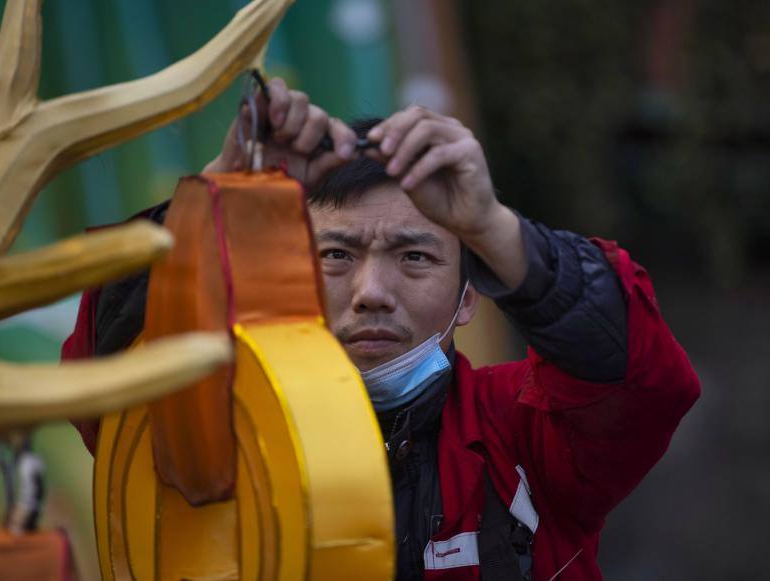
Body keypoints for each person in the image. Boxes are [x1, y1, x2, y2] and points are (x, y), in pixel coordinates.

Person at [63, 78, 700, 580]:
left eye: (415, 257)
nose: (372, 294)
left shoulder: (527, 433)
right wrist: (214, 206)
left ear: (469, 296)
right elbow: (106, 376)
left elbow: (642, 382)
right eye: (335, 257)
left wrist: (492, 226)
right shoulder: (220, 429)